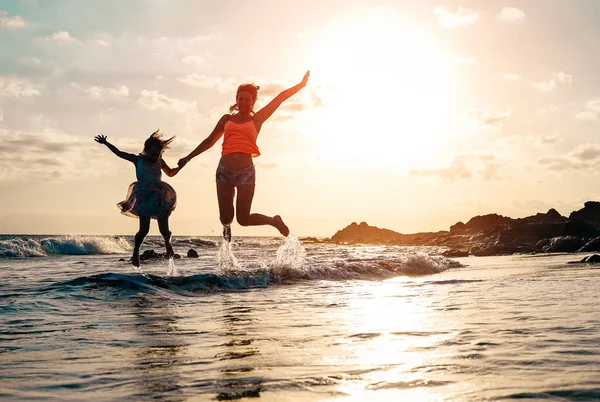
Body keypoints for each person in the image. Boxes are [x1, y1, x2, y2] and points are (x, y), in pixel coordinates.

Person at [178, 71, 310, 242]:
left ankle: (274, 221)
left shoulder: (257, 120)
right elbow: (209, 141)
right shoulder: (226, 119)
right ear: (236, 100)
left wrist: (300, 85)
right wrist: (188, 158)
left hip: (245, 173)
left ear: (253, 101)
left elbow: (279, 99)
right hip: (224, 171)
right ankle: (226, 227)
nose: (243, 102)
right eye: (240, 98)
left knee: (243, 219)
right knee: (225, 218)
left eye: (248, 99)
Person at [94, 130, 180, 267]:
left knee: (164, 230)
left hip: (159, 196)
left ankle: (168, 245)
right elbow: (119, 153)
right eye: (152, 154)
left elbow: (170, 173)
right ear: (146, 150)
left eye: (157, 154)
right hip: (144, 197)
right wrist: (106, 143)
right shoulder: (137, 160)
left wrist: (181, 166)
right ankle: (135, 252)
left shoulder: (160, 161)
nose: (154, 157)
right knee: (144, 230)